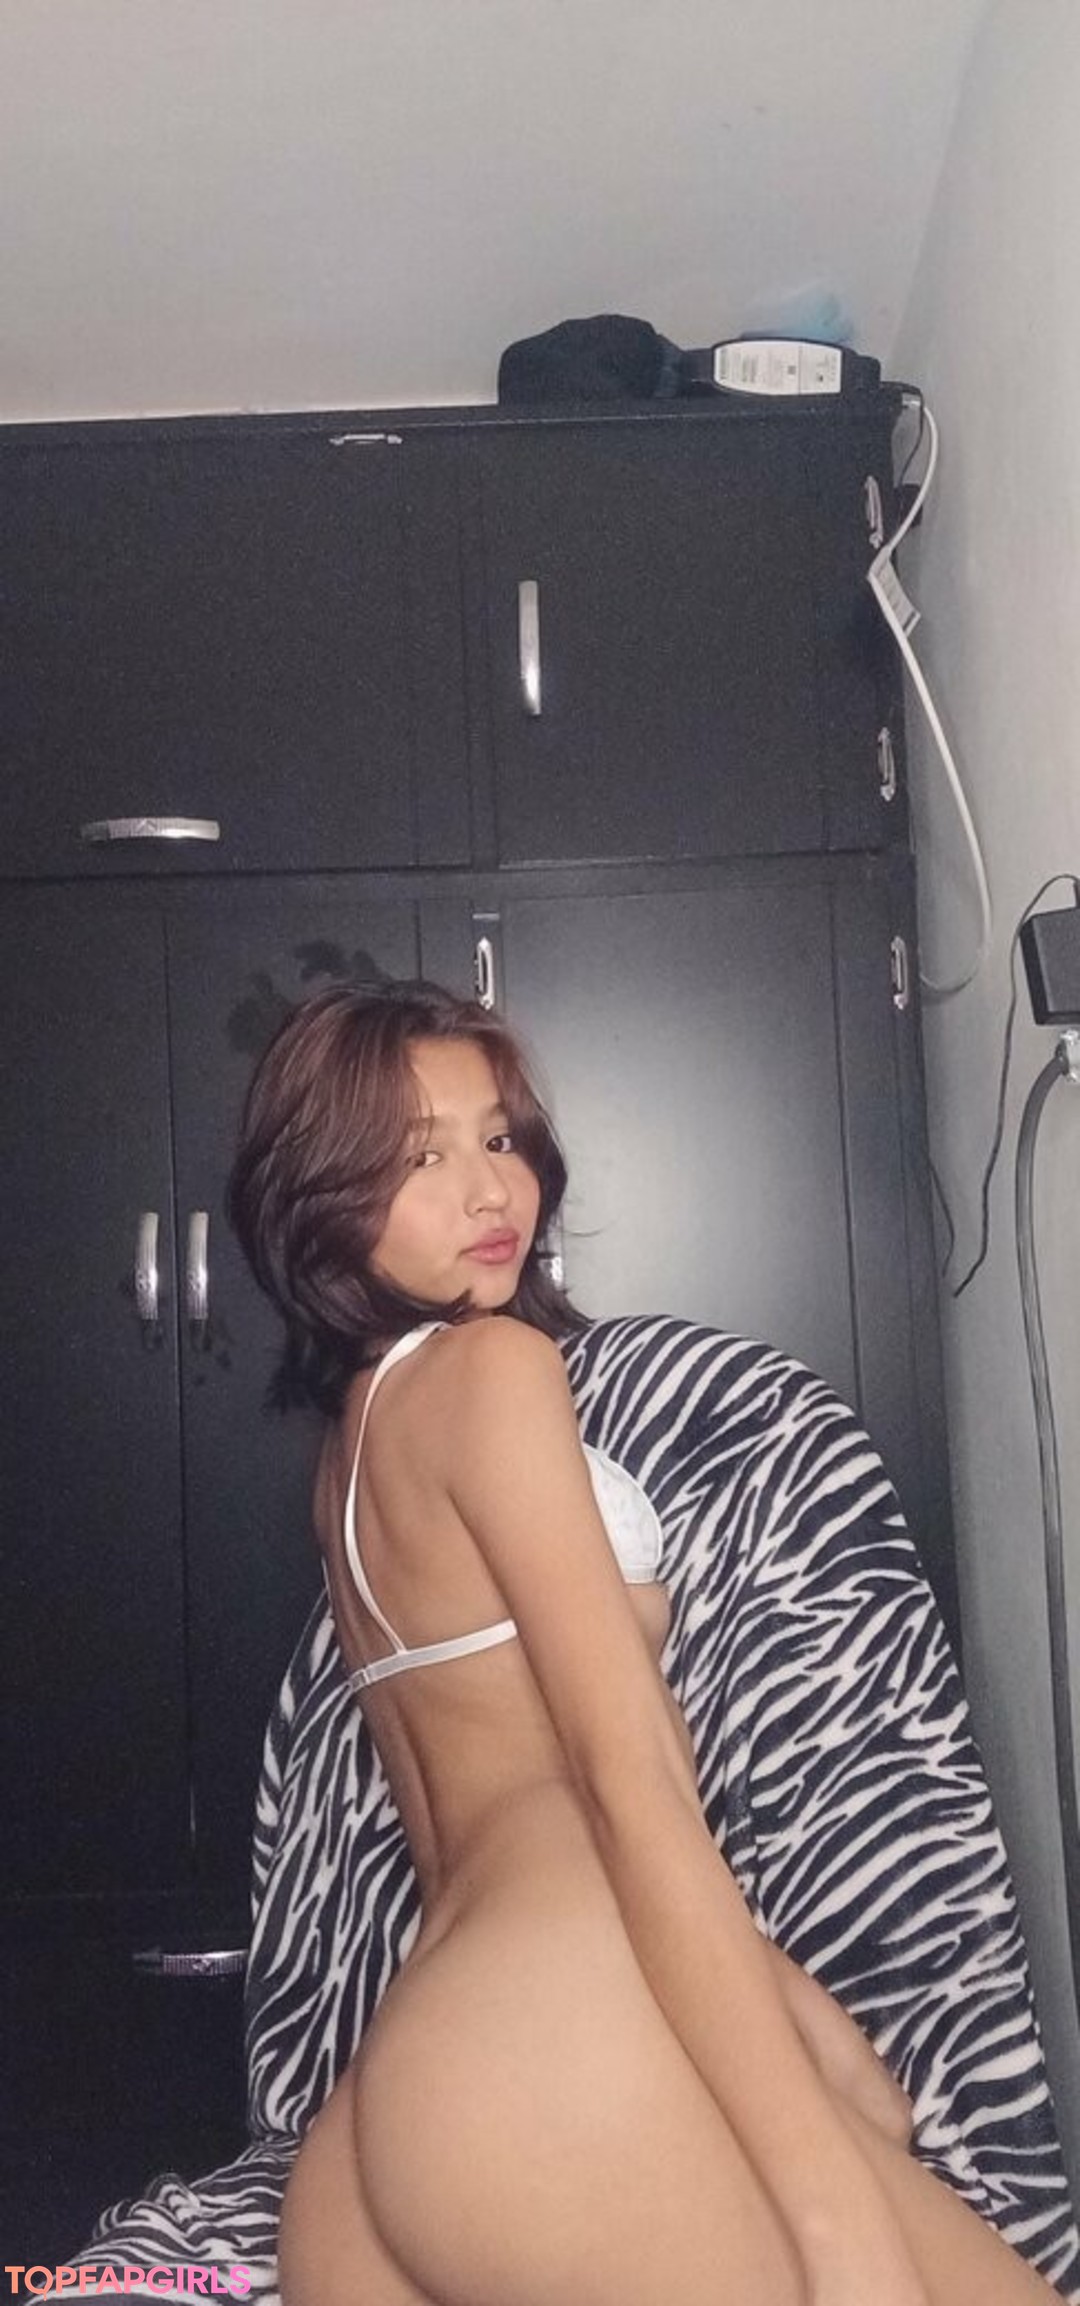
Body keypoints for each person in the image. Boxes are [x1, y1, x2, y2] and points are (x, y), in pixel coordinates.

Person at [228, 978, 1064, 2306]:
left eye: (499, 1138)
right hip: (559, 2040)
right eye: (418, 1157)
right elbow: (633, 1792)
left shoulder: (351, 1456)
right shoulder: (492, 1376)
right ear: (320, 1196)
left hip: (401, 2099)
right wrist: (834, 2219)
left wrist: (811, 2034)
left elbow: (488, 1816)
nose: (490, 1189)